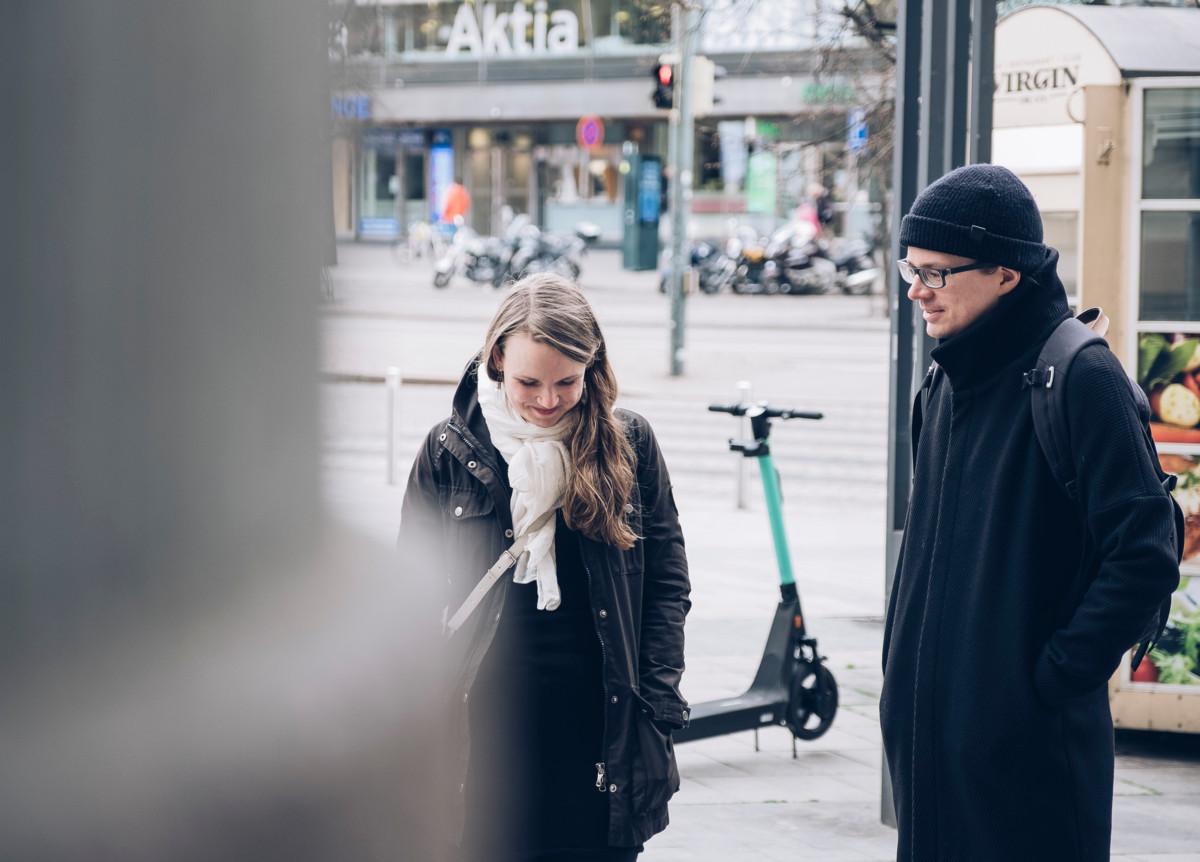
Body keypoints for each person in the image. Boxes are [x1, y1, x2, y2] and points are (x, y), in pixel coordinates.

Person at [881, 164, 1180, 861]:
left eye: (937, 273)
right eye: (910, 269)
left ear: (1007, 274)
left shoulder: (1082, 379)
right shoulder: (944, 380)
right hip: (932, 765)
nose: (917, 291)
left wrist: (1045, 685)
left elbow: (1144, 554)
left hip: (1029, 770)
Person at [399, 274, 691, 862]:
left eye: (568, 381)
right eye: (529, 381)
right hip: (479, 736)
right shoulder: (447, 452)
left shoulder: (627, 443)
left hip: (599, 727)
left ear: (593, 365)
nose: (548, 401)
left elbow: (666, 588)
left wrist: (657, 711)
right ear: (497, 357)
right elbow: (408, 598)